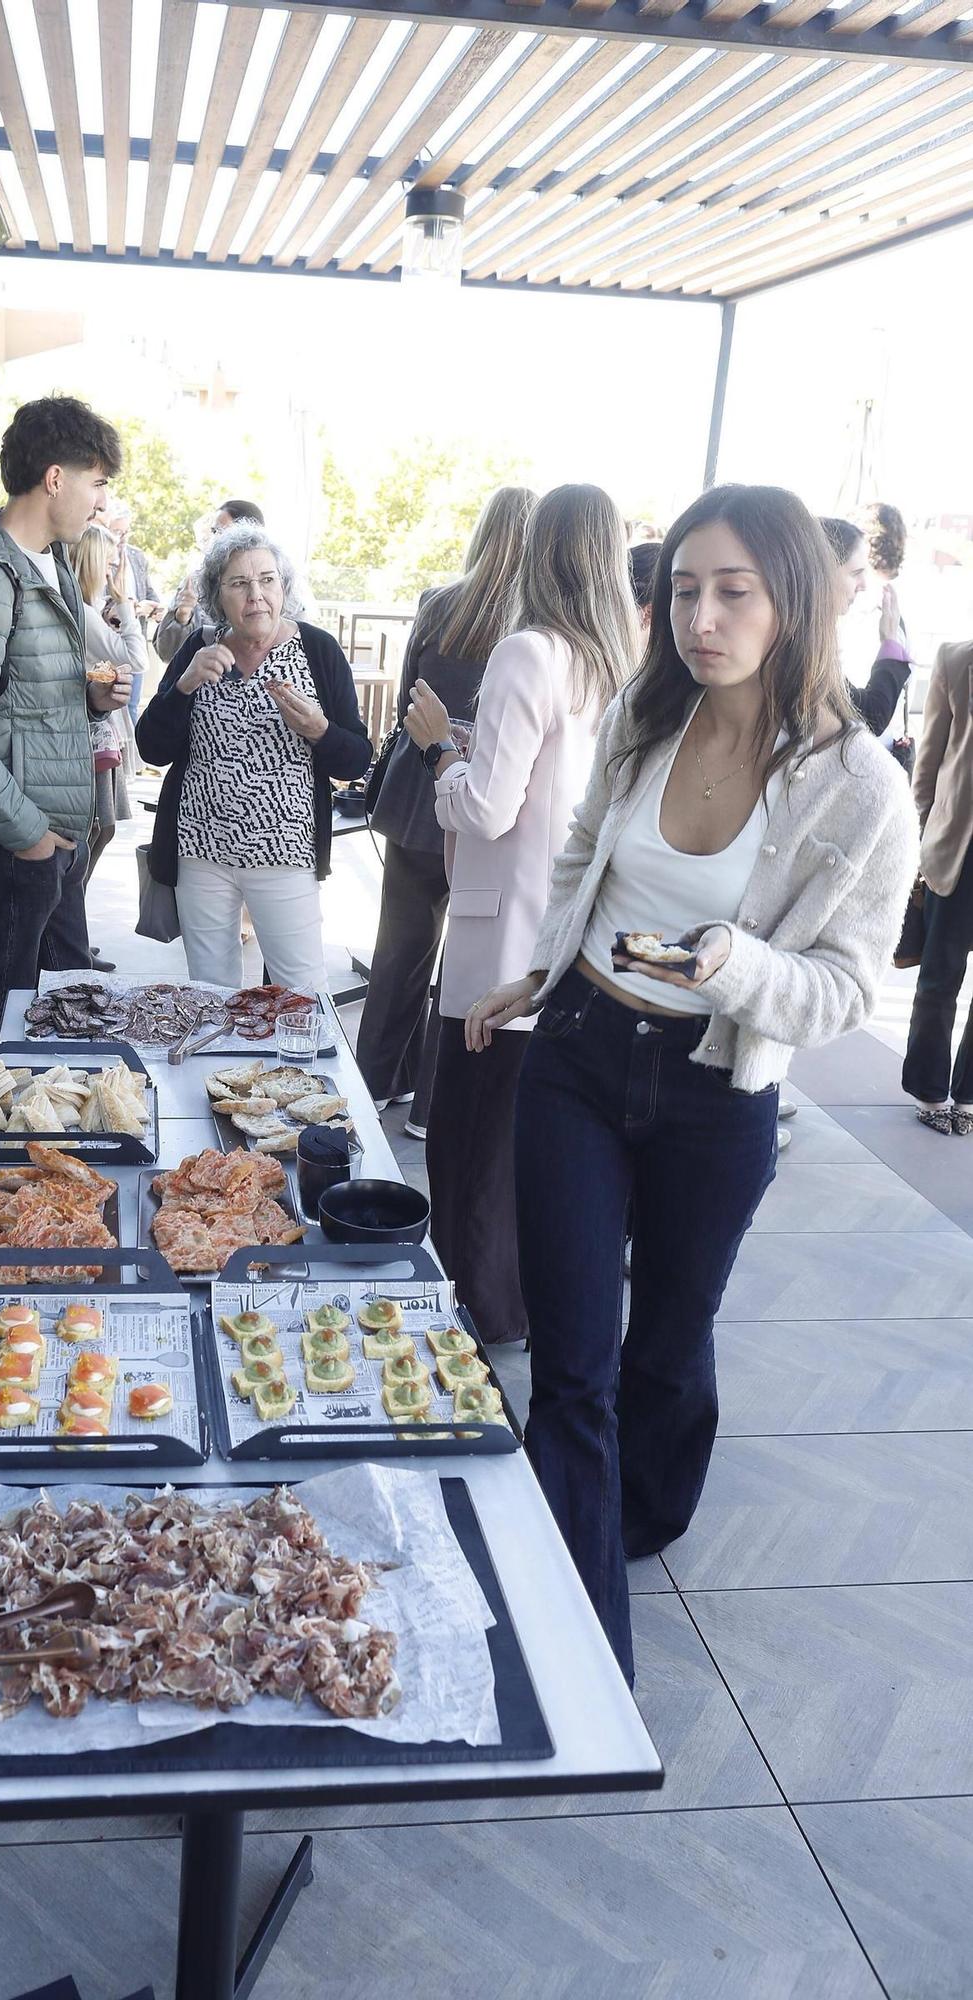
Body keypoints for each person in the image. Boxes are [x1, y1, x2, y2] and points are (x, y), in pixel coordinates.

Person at [467, 484, 918, 1681]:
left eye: (733, 591)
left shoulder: (858, 785)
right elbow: (579, 852)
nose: (699, 618)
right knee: (574, 1364)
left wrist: (735, 964)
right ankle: (572, 1653)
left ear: (795, 603)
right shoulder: (640, 717)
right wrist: (541, 966)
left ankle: (644, 1507)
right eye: (680, 591)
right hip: (576, 1055)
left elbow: (840, 987)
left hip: (716, 1091)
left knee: (667, 1344)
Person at [404, 485, 634, 1346]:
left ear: (538, 551)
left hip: (498, 937)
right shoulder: (618, 660)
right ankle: (515, 1308)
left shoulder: (528, 652)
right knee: (524, 1149)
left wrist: (438, 754)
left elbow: (489, 810)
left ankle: (476, 1314)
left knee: (465, 1149)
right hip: (570, 934)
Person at [0, 395, 133, 1085]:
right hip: (7, 842)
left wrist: (89, 694)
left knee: (41, 1011)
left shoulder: (47, 565)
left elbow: (22, 697)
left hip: (45, 836)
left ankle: (35, 1166)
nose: (99, 502)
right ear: (54, 478)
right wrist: (30, 836)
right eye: (96, 481)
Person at [357, 486, 537, 1142]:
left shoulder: (438, 603)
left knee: (399, 947)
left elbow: (409, 698)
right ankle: (433, 1106)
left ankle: (375, 1082)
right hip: (485, 802)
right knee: (461, 962)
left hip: (413, 794)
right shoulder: (533, 630)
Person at [136, 522, 370, 993]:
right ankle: (219, 1071)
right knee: (211, 992)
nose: (256, 596)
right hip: (201, 851)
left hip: (284, 852)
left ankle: (298, 1069)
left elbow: (356, 759)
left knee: (301, 992)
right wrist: (182, 689)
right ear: (217, 595)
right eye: (239, 584)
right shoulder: (198, 649)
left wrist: (320, 731)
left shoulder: (316, 650)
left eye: (267, 580)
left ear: (284, 587)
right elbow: (151, 748)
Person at [902, 636, 973, 1133]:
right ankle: (929, 1091)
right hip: (958, 846)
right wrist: (918, 833)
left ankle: (968, 1096)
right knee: (939, 976)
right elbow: (928, 759)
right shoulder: (957, 658)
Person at [72, 519, 147, 944]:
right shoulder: (83, 613)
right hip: (91, 731)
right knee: (97, 827)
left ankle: (72, 927)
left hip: (101, 729)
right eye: (111, 562)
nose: (115, 571)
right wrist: (125, 604)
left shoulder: (89, 611)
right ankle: (70, 929)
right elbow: (136, 658)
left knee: (103, 827)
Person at [820, 516, 911, 736]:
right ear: (823, 572)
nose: (863, 586)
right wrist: (890, 643)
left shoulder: (805, 633)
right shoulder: (799, 644)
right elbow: (869, 717)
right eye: (855, 574)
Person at [155, 500, 266, 664]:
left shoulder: (277, 585)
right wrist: (182, 617)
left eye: (222, 531)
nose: (215, 538)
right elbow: (166, 653)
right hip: (201, 686)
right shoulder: (194, 582)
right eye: (214, 531)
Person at [102, 500, 161, 727]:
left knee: (133, 705)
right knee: (114, 708)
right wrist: (132, 608)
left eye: (127, 531)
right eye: (118, 531)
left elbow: (149, 591)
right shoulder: (98, 557)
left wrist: (155, 606)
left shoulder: (137, 556)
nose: (123, 537)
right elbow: (100, 602)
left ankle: (135, 758)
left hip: (136, 636)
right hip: (111, 643)